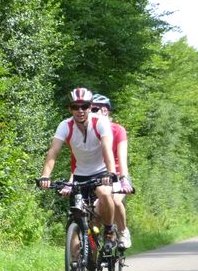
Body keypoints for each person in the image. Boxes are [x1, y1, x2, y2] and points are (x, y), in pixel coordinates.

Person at [38, 87, 118, 250]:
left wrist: (110, 173)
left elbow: (107, 150)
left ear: (90, 107)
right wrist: (45, 176)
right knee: (77, 215)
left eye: (84, 106)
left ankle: (109, 230)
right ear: (70, 108)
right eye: (75, 106)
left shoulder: (100, 122)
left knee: (104, 193)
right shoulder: (65, 126)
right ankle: (77, 266)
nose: (80, 110)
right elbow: (53, 152)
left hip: (101, 172)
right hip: (80, 176)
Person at [91, 94, 134, 249]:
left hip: (117, 174)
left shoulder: (118, 130)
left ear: (106, 111)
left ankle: (123, 232)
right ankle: (90, 265)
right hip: (97, 175)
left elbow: (122, 158)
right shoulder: (90, 130)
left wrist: (123, 178)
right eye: (91, 109)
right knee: (93, 215)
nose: (91, 112)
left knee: (115, 201)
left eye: (95, 109)